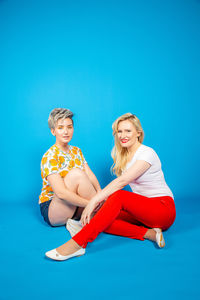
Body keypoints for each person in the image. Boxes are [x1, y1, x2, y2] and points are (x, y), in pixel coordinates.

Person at [45, 113, 176, 261]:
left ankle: (78, 244)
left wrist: (94, 201)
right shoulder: (126, 156)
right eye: (120, 131)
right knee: (101, 216)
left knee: (118, 196)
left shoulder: (147, 153)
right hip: (143, 214)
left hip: (163, 210)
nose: (123, 135)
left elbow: (122, 181)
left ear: (138, 133)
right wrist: (97, 205)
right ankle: (150, 233)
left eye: (128, 131)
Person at [39, 108, 101, 227]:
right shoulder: (49, 156)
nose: (66, 132)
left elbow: (90, 175)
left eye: (69, 127)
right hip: (53, 208)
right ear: (53, 131)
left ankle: (99, 212)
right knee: (76, 174)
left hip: (76, 205)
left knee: (104, 207)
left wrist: (99, 193)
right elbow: (61, 193)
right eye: (60, 128)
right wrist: (91, 203)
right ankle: (97, 210)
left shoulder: (77, 151)